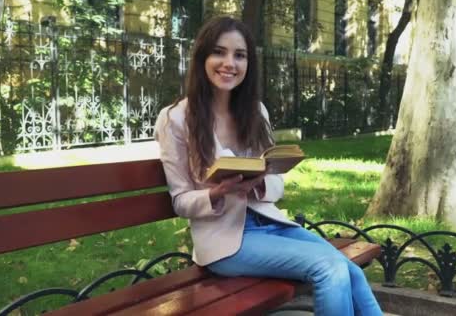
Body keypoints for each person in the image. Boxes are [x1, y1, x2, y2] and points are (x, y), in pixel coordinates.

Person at [154, 16, 382, 316]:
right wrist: (216, 193)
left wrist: (258, 181)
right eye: (219, 52)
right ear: (202, 57)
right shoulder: (176, 119)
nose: (229, 63)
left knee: (348, 269)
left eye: (240, 55)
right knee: (329, 268)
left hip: (271, 224)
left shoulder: (256, 112)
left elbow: (277, 182)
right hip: (225, 242)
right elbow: (180, 200)